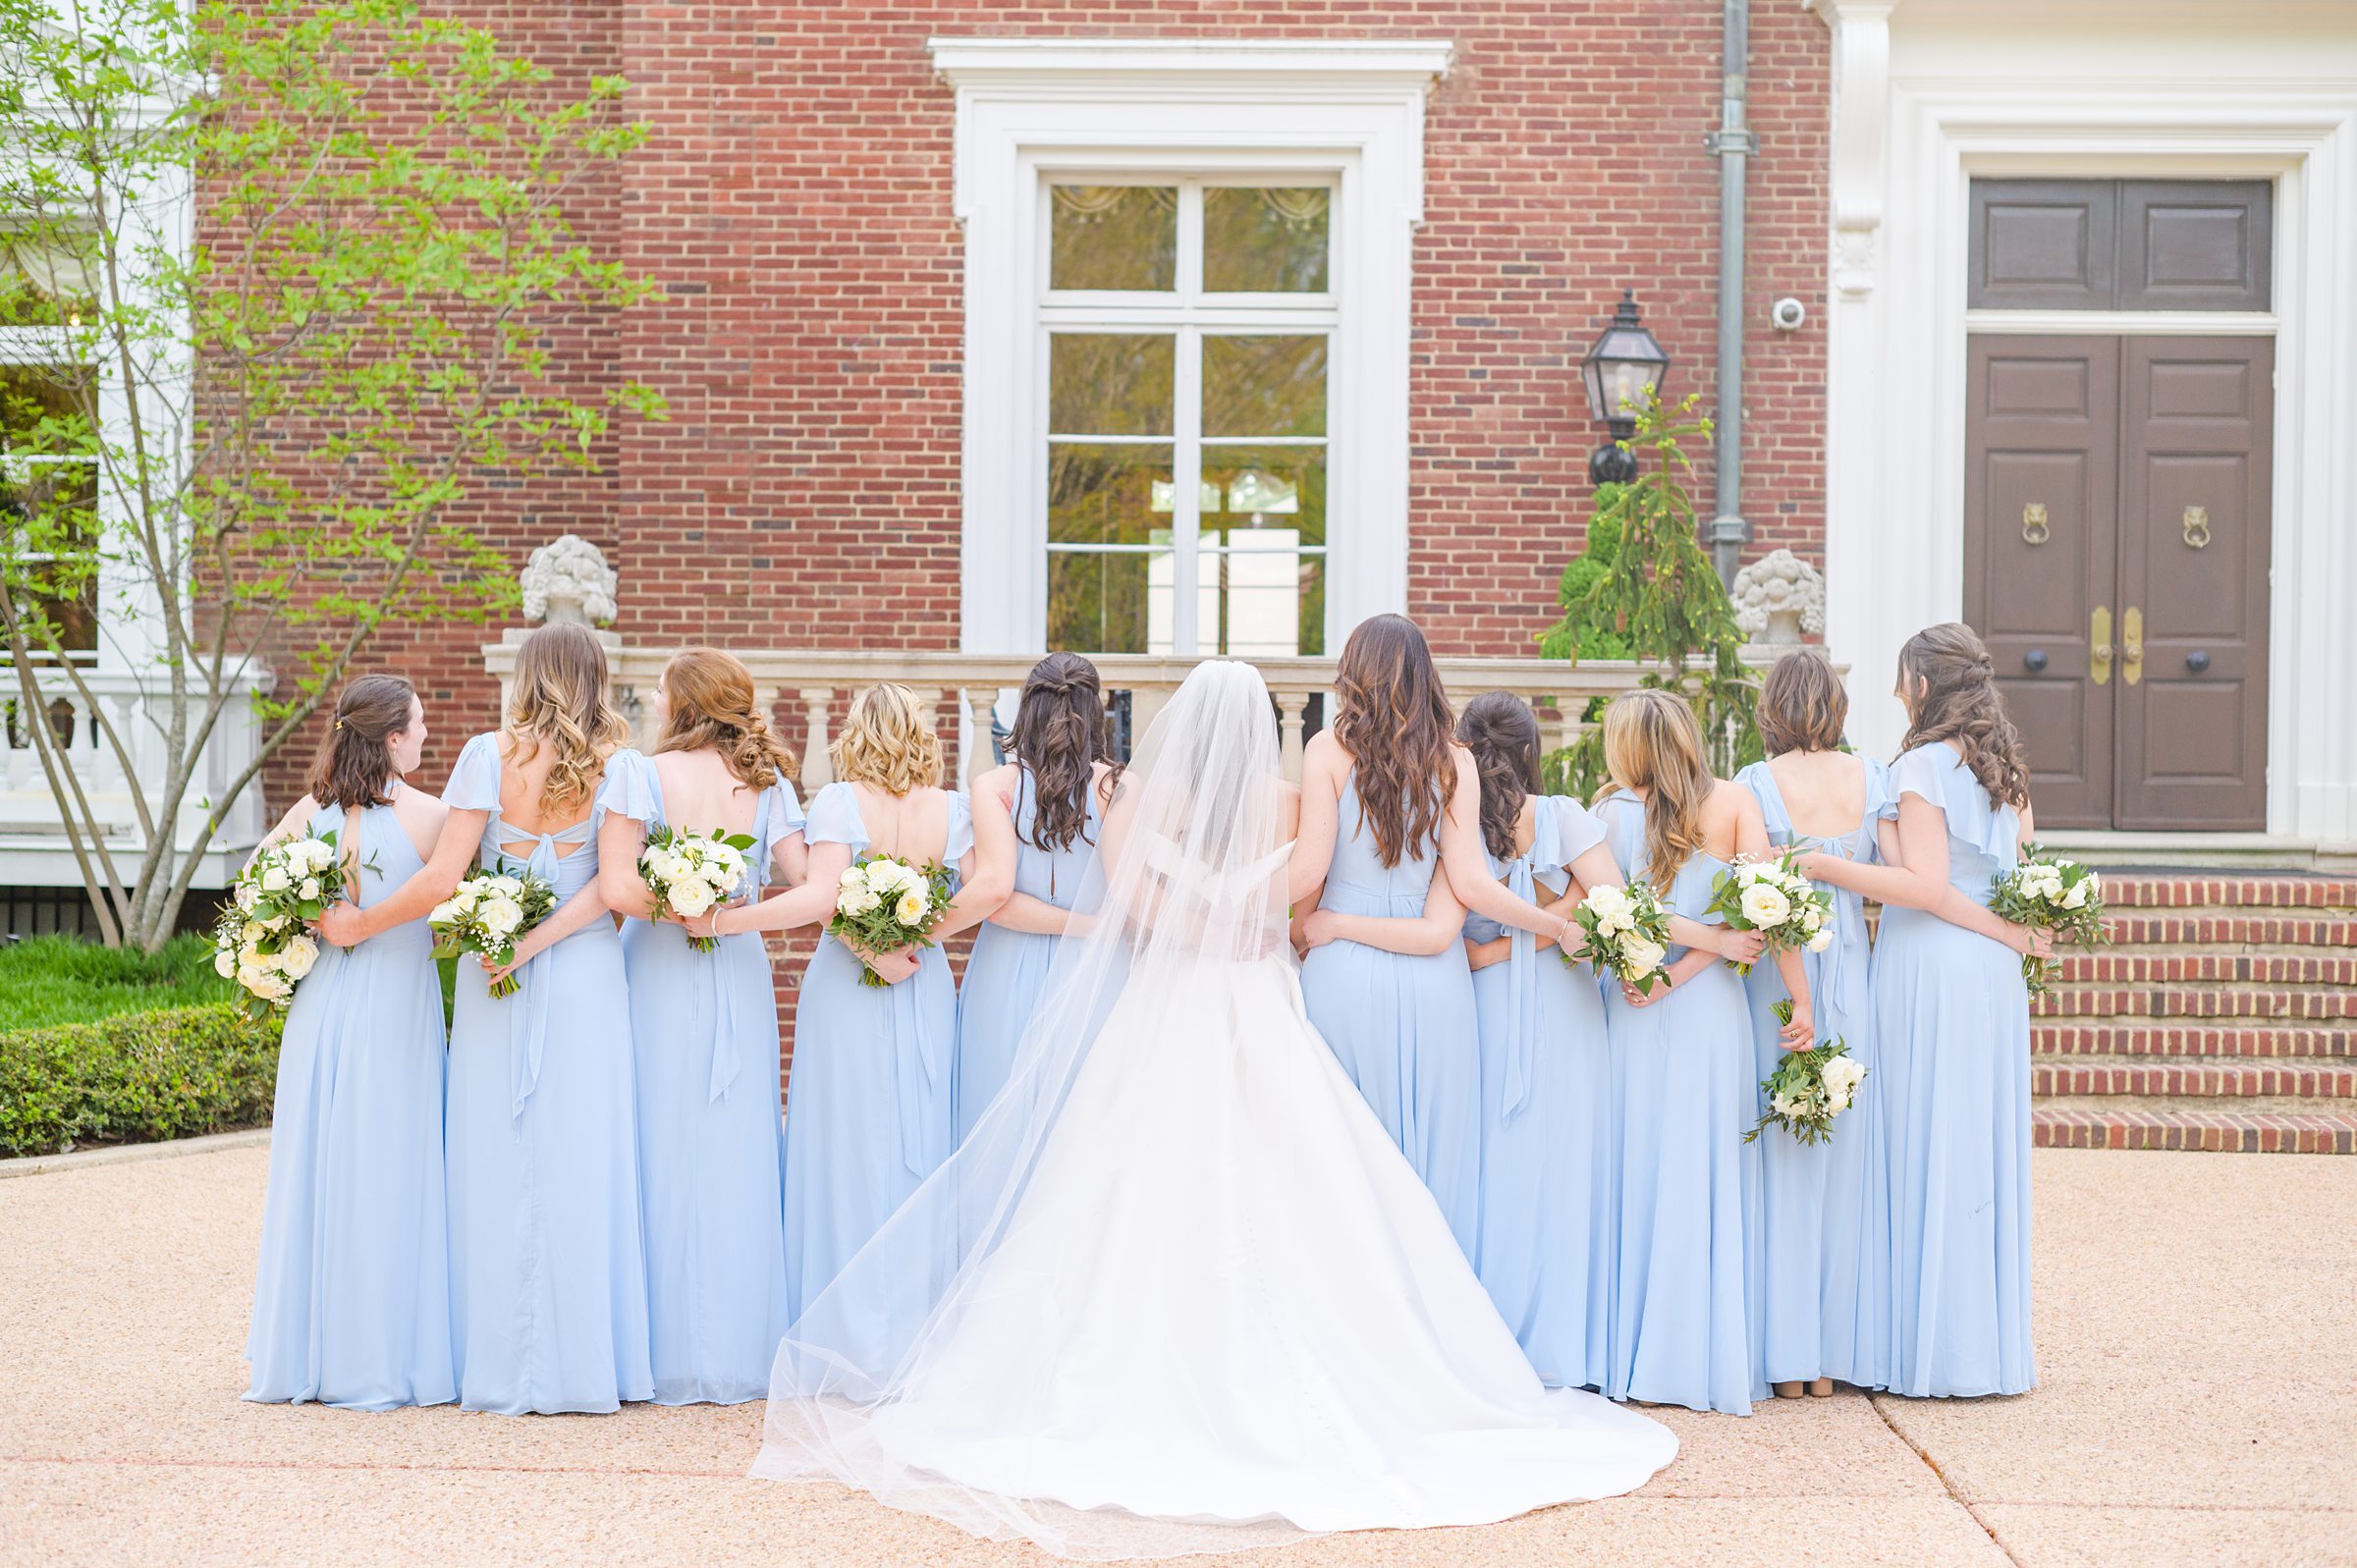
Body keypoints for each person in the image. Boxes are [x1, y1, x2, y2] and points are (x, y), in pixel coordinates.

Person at [749, 661, 1677, 1562]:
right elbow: (1308, 886)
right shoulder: (1288, 798)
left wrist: (1192, 924)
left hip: (1179, 997)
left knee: (1138, 1176)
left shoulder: (1144, 799)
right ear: (1264, 726)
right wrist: (1247, 919)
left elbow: (1130, 895)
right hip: (1259, 992)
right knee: (1302, 1176)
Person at [323, 622, 650, 1415]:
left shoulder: (485, 756)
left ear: (528, 677)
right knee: (580, 1159)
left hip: (491, 968)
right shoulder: (624, 766)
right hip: (580, 973)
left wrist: (364, 926)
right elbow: (612, 890)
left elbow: (443, 875)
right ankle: (579, 1368)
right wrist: (537, 943)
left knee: (491, 1157)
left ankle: (493, 1364)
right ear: (596, 679)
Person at [702, 682, 1014, 1318]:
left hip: (845, 980)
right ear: (921, 733)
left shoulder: (840, 801)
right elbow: (987, 891)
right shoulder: (954, 807)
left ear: (855, 733)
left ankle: (837, 1318)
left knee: (839, 1146)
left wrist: (727, 920)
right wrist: (914, 933)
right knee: (917, 1138)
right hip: (920, 976)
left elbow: (821, 896)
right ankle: (911, 1320)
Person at [1798, 623, 2048, 1399]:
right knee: (1972, 1139)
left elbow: (1926, 886)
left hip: (1933, 965)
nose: (1894, 685)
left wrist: (1820, 861)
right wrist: (2009, 934)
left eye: (1902, 672)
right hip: (1989, 975)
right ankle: (1980, 1348)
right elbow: (2008, 871)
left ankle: (1933, 1351)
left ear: (1923, 682)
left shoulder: (1920, 766)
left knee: (1926, 1138)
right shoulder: (2004, 770)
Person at [601, 648, 807, 1405]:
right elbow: (812, 889)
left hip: (657, 963)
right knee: (731, 1142)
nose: (653, 701)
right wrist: (732, 918)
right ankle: (729, 1347)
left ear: (683, 702)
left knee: (659, 1138)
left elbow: (619, 886)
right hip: (736, 967)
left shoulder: (639, 773)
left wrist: (693, 911)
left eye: (660, 690)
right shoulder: (767, 784)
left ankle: (655, 1350)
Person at [245, 675, 455, 1411]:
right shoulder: (431, 817)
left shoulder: (312, 810)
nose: (428, 735)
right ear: (392, 737)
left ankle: (312, 1352)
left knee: (322, 1163)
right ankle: (386, 1356)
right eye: (421, 723)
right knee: (393, 1165)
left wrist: (314, 918)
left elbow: (251, 882)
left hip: (325, 1005)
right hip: (396, 1007)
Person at [1595, 689, 1802, 1416]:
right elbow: (1763, 916)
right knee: (1701, 1165)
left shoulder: (1608, 815)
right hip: (1707, 1009)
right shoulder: (1737, 800)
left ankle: (1633, 1356)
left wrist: (1661, 975)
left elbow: (1618, 908)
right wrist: (1694, 966)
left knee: (1641, 1164)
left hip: (1637, 1004)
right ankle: (1702, 1356)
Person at [1734, 649, 1891, 1398]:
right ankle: (1831, 1355)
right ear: (1836, 704)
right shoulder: (1873, 778)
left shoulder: (1756, 784)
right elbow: (1897, 882)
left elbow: (1757, 892)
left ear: (1772, 707)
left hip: (1780, 974)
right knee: (1844, 1160)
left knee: (1781, 1153)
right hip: (1852, 968)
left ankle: (1787, 1354)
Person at [957, 653, 1117, 1143]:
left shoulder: (995, 787)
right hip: (1095, 969)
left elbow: (994, 894)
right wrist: (1096, 927)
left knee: (997, 1119)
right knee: (1086, 1127)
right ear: (1095, 714)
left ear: (1027, 711)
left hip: (1007, 968)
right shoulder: (1117, 788)